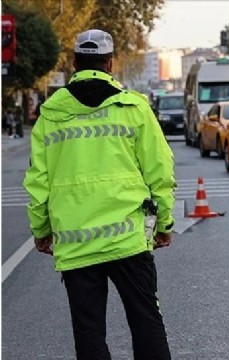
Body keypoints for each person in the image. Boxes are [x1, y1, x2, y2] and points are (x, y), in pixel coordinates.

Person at [23, 29, 175, 360]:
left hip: (77, 242)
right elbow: (160, 170)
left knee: (89, 331)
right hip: (128, 239)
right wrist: (164, 221)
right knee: (146, 321)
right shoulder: (133, 106)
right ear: (110, 63)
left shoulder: (50, 113)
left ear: (74, 62)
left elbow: (38, 181)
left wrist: (41, 230)